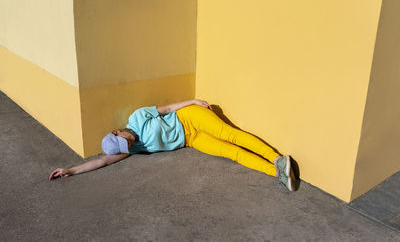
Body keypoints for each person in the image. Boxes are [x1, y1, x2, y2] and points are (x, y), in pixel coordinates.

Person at [49, 99, 297, 191]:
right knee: (229, 152)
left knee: (230, 135)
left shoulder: (137, 117)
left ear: (118, 131)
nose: (128, 147)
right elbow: (102, 160)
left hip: (188, 117)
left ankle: (276, 158)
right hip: (191, 139)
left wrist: (193, 102)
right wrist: (70, 170)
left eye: (123, 142)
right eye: (124, 151)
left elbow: (166, 109)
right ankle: (277, 172)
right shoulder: (130, 149)